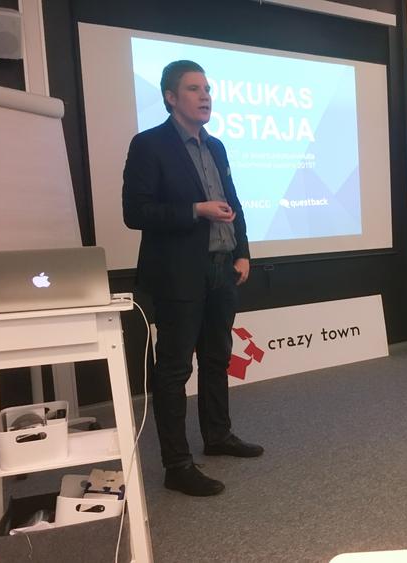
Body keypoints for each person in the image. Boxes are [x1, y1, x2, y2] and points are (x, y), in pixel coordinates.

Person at [122, 60, 263, 497]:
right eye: (193, 89)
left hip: (222, 268)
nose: (205, 96)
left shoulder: (216, 146)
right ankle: (177, 464)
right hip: (178, 273)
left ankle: (217, 435)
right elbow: (135, 212)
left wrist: (242, 251)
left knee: (217, 357)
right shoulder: (149, 144)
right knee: (175, 368)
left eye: (208, 89)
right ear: (170, 97)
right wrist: (195, 211)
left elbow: (232, 201)